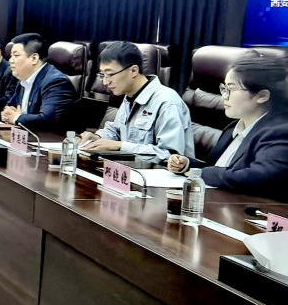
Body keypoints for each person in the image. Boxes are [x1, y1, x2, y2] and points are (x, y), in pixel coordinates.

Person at [167, 56, 288, 198]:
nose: (224, 96)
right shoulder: (233, 128)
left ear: (262, 96)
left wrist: (200, 174)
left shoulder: (280, 132)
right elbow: (221, 170)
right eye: (224, 88)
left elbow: (260, 177)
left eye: (231, 89)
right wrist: (187, 165)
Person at [79, 42, 193, 162]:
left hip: (160, 173)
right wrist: (97, 137)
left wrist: (121, 146)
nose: (105, 82)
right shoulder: (130, 95)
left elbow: (169, 155)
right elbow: (116, 130)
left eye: (110, 74)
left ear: (133, 71)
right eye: (103, 75)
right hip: (132, 169)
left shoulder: (167, 102)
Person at [1, 33, 78, 132]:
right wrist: (7, 114)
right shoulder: (23, 79)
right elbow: (9, 108)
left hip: (52, 139)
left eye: (16, 55)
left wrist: (16, 118)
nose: (10, 60)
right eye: (11, 56)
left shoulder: (56, 82)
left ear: (34, 58)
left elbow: (46, 119)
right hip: (28, 136)